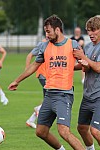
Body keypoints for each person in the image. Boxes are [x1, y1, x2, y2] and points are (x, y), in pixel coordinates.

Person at [8, 15, 85, 150]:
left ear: (57, 30)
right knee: (41, 131)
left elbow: (85, 64)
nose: (46, 34)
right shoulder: (44, 47)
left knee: (63, 131)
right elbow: (34, 66)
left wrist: (81, 62)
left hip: (64, 95)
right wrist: (16, 80)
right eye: (45, 31)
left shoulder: (72, 44)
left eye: (48, 31)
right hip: (49, 95)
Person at [73, 15, 100, 150]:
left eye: (93, 30)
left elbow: (98, 67)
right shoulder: (89, 47)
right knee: (82, 128)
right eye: (88, 30)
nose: (90, 33)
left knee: (95, 130)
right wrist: (66, 66)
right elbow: (85, 65)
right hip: (88, 95)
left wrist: (83, 57)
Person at [25, 39, 47, 129]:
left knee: (48, 99)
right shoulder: (42, 44)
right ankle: (38, 108)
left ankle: (30, 120)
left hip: (49, 75)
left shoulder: (56, 43)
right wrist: (27, 69)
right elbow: (30, 55)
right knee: (52, 97)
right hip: (43, 75)